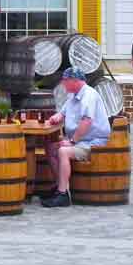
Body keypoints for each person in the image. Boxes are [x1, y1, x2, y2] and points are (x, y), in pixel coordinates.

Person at [41, 67, 111, 208]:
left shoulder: (89, 95)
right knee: (51, 148)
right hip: (81, 142)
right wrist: (55, 118)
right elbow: (63, 113)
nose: (63, 84)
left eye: (65, 81)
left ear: (75, 81)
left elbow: (87, 121)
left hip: (93, 144)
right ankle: (61, 186)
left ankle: (62, 196)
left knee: (63, 151)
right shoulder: (73, 95)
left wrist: (72, 142)